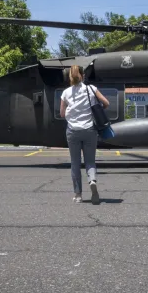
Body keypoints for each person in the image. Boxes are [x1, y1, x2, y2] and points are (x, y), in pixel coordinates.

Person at [60, 65, 110, 204]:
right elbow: (106, 103)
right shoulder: (91, 89)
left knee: (75, 163)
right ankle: (92, 181)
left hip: (72, 131)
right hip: (90, 130)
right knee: (90, 161)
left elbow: (62, 114)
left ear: (70, 76)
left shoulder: (66, 93)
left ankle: (78, 195)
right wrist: (96, 109)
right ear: (83, 75)